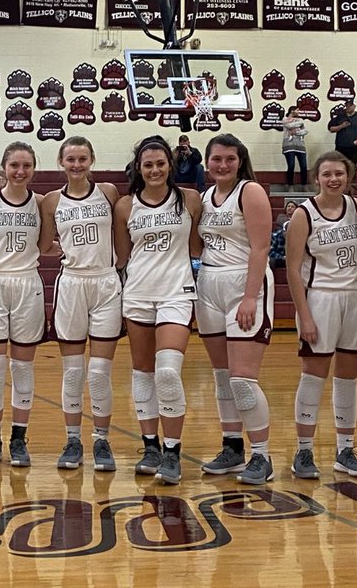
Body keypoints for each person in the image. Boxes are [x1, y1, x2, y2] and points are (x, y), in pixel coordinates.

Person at [113, 136, 202, 485]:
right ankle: (150, 445)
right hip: (137, 293)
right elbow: (123, 257)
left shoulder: (190, 199)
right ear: (139, 167)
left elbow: (196, 245)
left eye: (160, 163)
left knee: (167, 372)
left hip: (176, 293)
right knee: (143, 373)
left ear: (171, 165)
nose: (154, 170)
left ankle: (173, 451)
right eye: (147, 165)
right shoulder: (125, 206)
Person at [195, 134, 276, 486]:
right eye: (216, 159)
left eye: (229, 158)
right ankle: (232, 446)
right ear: (206, 163)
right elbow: (197, 245)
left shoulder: (250, 191)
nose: (222, 164)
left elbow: (260, 248)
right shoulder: (203, 198)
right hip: (209, 284)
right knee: (222, 376)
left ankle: (262, 454)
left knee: (243, 378)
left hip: (243, 283)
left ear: (240, 160)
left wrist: (250, 296)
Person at [284, 151, 357, 480]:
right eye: (327, 174)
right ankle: (304, 450)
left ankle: (345, 450)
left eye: (339, 173)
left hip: (354, 298)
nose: (333, 179)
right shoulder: (304, 214)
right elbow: (292, 271)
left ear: (348, 176)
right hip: (319, 299)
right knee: (313, 376)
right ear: (316, 178)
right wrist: (304, 316)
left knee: (348, 378)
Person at [0, 141, 52, 467]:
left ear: (33, 169)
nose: (20, 172)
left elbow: (45, 245)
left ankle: (19, 439)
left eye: (26, 166)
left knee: (22, 367)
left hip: (27, 284)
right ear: (3, 167)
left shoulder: (43, 204)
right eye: (14, 165)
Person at [42, 136, 121, 472]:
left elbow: (121, 235)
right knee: (73, 372)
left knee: (100, 373)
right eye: (70, 159)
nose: (76, 165)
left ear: (92, 160)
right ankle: (72, 439)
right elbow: (45, 243)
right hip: (72, 283)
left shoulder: (109, 192)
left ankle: (101, 440)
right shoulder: (51, 200)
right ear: (61, 162)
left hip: (105, 281)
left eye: (82, 158)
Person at [328, 100, 357, 166]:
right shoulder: (339, 117)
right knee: (339, 165)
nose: (348, 107)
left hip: (354, 147)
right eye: (346, 105)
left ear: (354, 106)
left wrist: (356, 142)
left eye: (350, 105)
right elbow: (331, 129)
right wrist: (341, 126)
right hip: (340, 147)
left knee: (352, 166)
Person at [282, 106, 308, 191]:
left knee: (303, 166)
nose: (299, 112)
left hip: (300, 146)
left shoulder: (300, 120)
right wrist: (299, 125)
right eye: (297, 110)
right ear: (292, 111)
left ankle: (304, 184)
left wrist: (296, 132)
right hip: (289, 146)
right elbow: (289, 125)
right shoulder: (285, 119)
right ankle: (290, 184)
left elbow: (306, 131)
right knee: (291, 165)